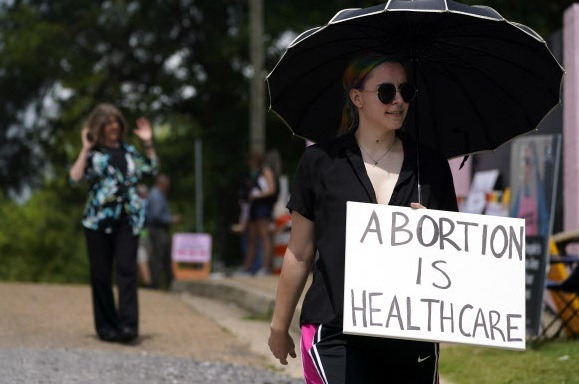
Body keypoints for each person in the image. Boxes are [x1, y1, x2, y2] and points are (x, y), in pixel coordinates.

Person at [268, 53, 458, 383]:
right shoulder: (320, 162)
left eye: (406, 91)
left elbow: (454, 258)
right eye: (386, 91)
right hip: (335, 328)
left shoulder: (431, 166)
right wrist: (279, 325)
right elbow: (300, 251)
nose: (398, 100)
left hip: (410, 332)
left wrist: (437, 231)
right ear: (357, 97)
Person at [69, 103, 158, 343]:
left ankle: (128, 326)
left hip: (128, 219)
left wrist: (148, 142)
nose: (113, 126)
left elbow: (151, 169)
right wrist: (85, 148)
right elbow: (75, 178)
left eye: (116, 122)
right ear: (99, 126)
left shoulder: (129, 152)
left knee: (127, 269)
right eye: (108, 122)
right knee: (100, 274)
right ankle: (107, 326)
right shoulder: (94, 154)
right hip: (97, 221)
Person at [242, 150, 278, 275]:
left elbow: (271, 189)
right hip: (254, 207)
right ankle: (247, 268)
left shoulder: (266, 170)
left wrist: (258, 195)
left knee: (264, 236)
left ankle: (265, 267)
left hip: (262, 206)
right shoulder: (252, 173)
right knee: (252, 238)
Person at [146, 173, 180, 289]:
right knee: (158, 257)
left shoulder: (156, 194)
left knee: (164, 256)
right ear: (162, 184)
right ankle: (155, 284)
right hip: (158, 230)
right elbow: (156, 215)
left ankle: (169, 281)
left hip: (158, 230)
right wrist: (170, 219)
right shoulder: (156, 196)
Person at [510, 141, 549, 237]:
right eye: (522, 161)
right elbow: (513, 219)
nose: (524, 166)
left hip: (534, 246)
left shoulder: (538, 190)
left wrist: (541, 245)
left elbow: (544, 222)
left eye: (527, 161)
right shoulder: (520, 191)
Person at [136, 184, 153, 287]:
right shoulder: (148, 203)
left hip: (139, 232)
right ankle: (140, 281)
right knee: (142, 257)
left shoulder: (138, 203)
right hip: (145, 232)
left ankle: (147, 281)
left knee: (141, 257)